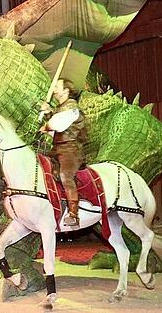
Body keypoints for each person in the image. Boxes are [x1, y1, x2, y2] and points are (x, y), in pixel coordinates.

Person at [39, 79, 89, 227]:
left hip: (70, 149)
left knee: (65, 175)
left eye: (57, 86)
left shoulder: (72, 107)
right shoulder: (60, 108)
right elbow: (53, 129)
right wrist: (48, 113)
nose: (53, 89)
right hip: (56, 149)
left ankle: (74, 214)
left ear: (66, 91)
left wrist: (46, 124)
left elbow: (58, 125)